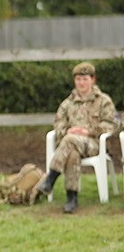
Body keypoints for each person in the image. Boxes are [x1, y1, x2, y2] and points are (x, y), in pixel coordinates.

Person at [32, 62, 118, 213]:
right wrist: (68, 130)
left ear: (93, 80)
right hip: (71, 144)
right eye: (78, 79)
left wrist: (88, 131)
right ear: (74, 81)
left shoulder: (103, 101)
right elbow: (58, 124)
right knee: (72, 152)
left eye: (85, 79)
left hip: (94, 144)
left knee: (69, 140)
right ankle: (72, 198)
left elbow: (112, 124)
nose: (81, 83)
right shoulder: (67, 103)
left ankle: (50, 178)